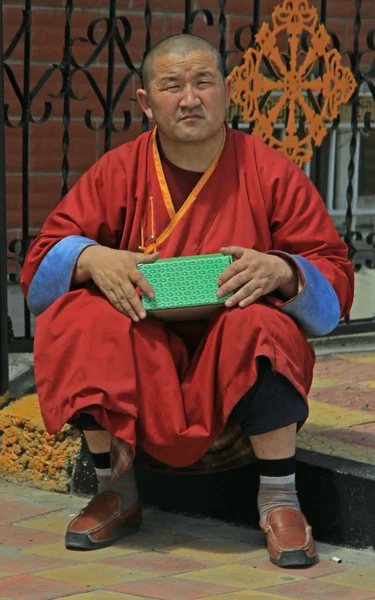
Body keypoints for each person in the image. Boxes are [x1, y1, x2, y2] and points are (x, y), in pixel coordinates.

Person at [21, 33, 354, 568]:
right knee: (75, 318)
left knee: (262, 328)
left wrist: (284, 270)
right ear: (146, 103)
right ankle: (116, 491)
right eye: (171, 85)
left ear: (228, 92)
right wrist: (90, 259)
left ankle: (279, 498)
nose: (190, 97)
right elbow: (42, 266)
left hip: (231, 352)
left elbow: (333, 278)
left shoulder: (271, 172)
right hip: (145, 347)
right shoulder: (118, 170)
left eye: (203, 82)